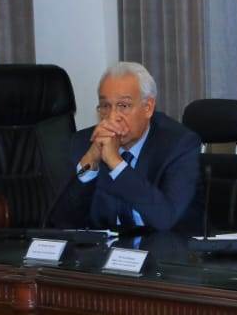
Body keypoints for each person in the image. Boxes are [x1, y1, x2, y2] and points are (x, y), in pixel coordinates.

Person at [48, 61, 202, 233]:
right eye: (105, 106)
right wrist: (90, 163)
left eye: (123, 106)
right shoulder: (83, 143)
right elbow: (61, 223)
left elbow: (167, 220)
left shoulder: (178, 145)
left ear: (148, 108)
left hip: (163, 247)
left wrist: (116, 164)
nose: (113, 116)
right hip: (105, 249)